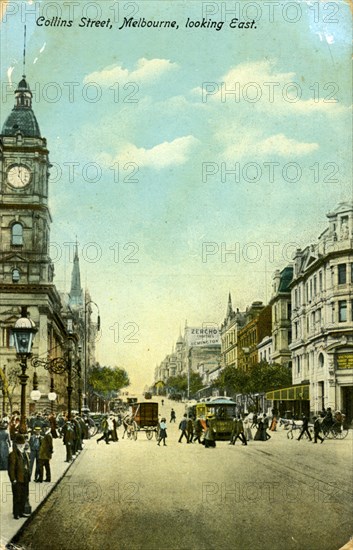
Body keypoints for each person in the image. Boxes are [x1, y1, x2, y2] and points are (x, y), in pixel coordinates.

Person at [8, 433, 31, 519]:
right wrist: (13, 479)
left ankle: (21, 512)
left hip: (25, 478)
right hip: (17, 479)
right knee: (17, 497)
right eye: (19, 445)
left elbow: (27, 465)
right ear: (16, 445)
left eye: (22, 444)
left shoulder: (25, 454)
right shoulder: (13, 455)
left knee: (24, 496)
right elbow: (11, 468)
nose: (21, 446)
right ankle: (16, 513)